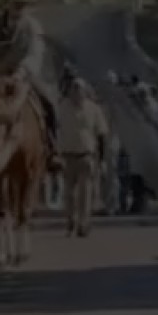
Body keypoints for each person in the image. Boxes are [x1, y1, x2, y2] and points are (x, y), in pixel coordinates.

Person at [0, 0, 60, 172]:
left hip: (24, 75)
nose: (20, 8)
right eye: (16, 4)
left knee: (49, 102)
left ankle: (53, 148)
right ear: (7, 4)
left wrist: (21, 72)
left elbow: (35, 52)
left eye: (23, 4)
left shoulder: (32, 26)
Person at [55, 79, 107, 238]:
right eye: (73, 89)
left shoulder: (93, 109)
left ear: (85, 91)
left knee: (85, 194)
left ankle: (83, 224)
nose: (76, 92)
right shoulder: (62, 107)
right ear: (69, 91)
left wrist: (102, 159)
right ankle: (70, 221)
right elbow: (54, 129)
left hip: (86, 156)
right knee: (68, 194)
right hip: (67, 156)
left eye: (79, 90)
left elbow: (102, 134)